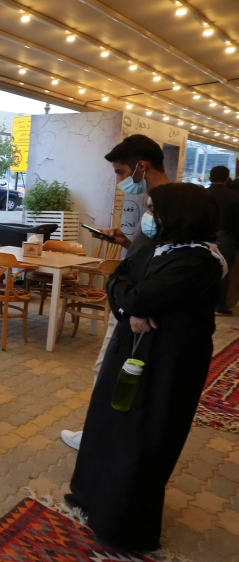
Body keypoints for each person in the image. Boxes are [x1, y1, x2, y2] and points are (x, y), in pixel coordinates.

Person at [67, 183, 225, 552]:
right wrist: (132, 308)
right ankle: (91, 496)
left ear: (180, 214)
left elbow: (139, 292)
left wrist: (134, 301)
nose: (148, 217)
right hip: (134, 348)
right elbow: (118, 278)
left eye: (154, 209)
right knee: (108, 419)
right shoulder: (160, 246)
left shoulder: (199, 259)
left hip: (170, 360)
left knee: (144, 434)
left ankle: (122, 527)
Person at [60, 134, 170, 451]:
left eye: (121, 173)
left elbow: (164, 263)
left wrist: (138, 305)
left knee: (107, 370)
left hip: (135, 307)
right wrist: (125, 243)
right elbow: (152, 253)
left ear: (141, 167)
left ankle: (97, 436)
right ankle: (106, 434)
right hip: (134, 304)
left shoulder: (163, 205)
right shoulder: (161, 202)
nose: (121, 181)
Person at [207, 165, 239, 315]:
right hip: (227, 237)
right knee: (223, 270)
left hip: (205, 235)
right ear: (227, 178)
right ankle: (219, 305)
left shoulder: (202, 194)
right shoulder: (234, 197)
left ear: (210, 177)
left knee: (203, 268)